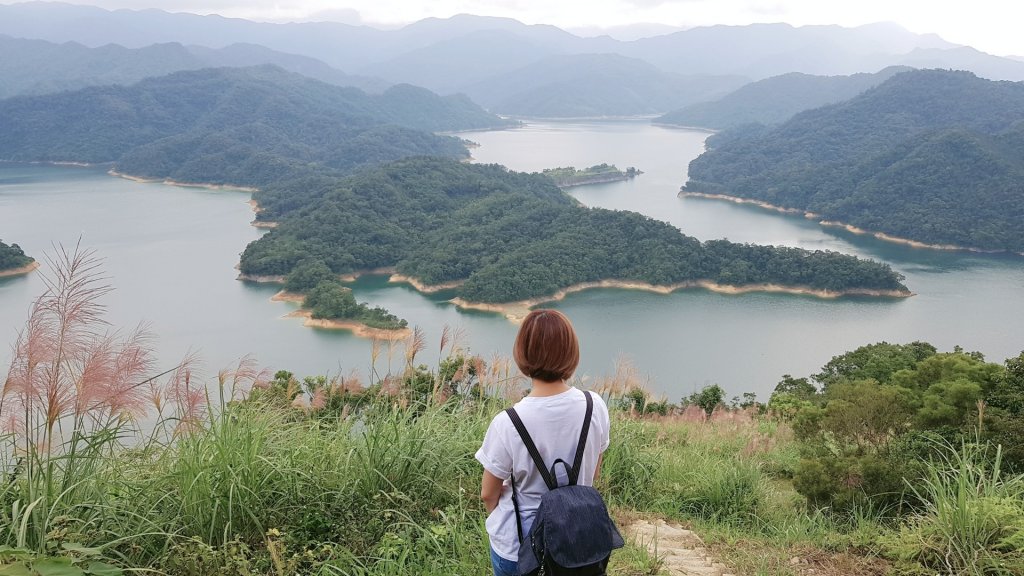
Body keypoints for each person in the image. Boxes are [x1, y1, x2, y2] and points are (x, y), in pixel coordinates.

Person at [475, 309, 611, 576]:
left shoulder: (508, 422)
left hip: (520, 549)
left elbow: (488, 494)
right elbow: (594, 472)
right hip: (578, 543)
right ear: (572, 351)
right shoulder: (594, 406)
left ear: (522, 354)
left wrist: (500, 520)